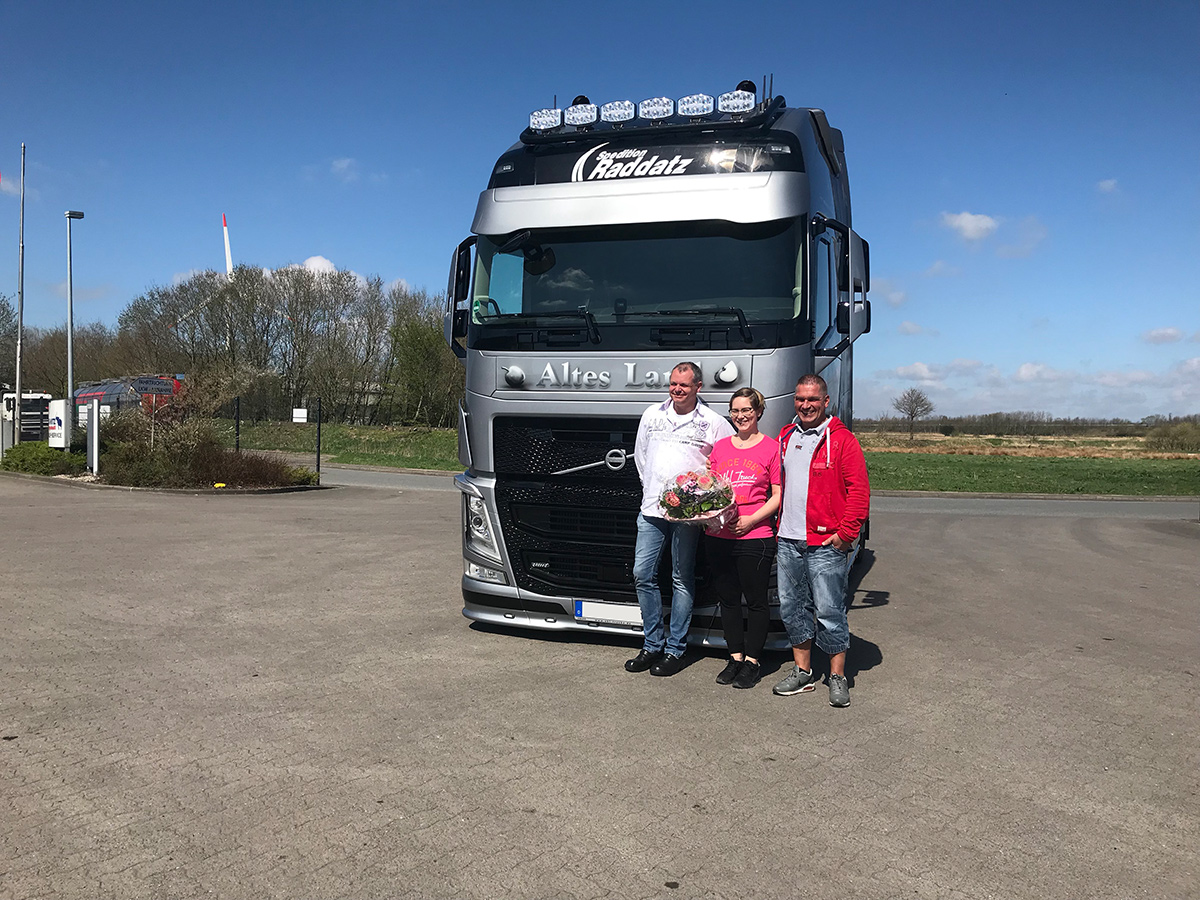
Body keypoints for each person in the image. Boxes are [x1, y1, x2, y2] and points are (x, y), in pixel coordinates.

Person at [625, 362, 735, 677]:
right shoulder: (652, 415)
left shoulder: (713, 422)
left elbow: (726, 460)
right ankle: (652, 645)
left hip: (688, 515)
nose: (677, 389)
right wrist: (655, 489)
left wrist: (706, 498)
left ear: (698, 387)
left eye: (684, 385)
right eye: (673, 383)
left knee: (681, 578)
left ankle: (675, 650)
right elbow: (641, 457)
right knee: (642, 574)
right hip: (651, 509)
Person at [771, 374, 870, 707]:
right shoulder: (786, 436)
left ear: (826, 401)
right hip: (789, 539)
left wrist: (846, 534)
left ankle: (837, 676)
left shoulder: (843, 440)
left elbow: (859, 491)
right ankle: (803, 671)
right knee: (792, 608)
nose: (806, 405)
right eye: (800, 399)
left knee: (829, 610)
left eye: (813, 399)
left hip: (826, 543)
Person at [704, 388, 781, 689]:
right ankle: (735, 657)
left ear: (758, 411)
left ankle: (752, 662)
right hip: (719, 535)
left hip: (756, 535)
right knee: (728, 600)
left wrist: (751, 520)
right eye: (735, 411)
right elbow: (710, 489)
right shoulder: (721, 448)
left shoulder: (771, 448)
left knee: (757, 601)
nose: (741, 416)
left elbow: (777, 496)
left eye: (747, 410)